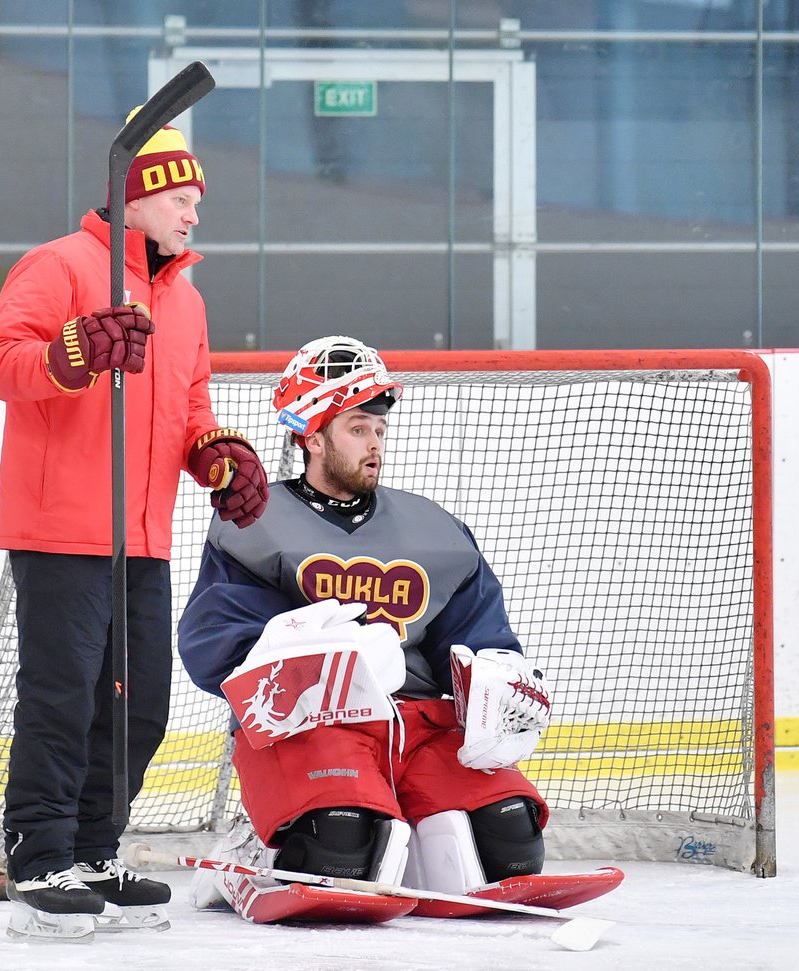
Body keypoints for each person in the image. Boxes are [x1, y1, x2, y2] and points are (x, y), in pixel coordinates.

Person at [0, 119, 269, 941]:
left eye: (197, 200)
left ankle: (97, 849)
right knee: (61, 700)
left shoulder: (188, 298)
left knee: (138, 709)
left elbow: (190, 410)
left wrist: (217, 457)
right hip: (60, 530)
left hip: (140, 535)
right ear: (137, 196)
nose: (194, 214)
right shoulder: (60, 265)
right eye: (182, 196)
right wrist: (70, 353)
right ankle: (40, 857)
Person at [176, 335, 551, 923]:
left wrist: (498, 685)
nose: (375, 444)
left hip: (421, 724)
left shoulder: (434, 528)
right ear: (312, 436)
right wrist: (325, 662)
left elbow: (480, 634)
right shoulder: (254, 524)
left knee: (509, 843)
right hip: (314, 726)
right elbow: (214, 646)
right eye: (357, 429)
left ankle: (410, 846)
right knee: (339, 843)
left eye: (379, 429)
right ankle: (263, 846)